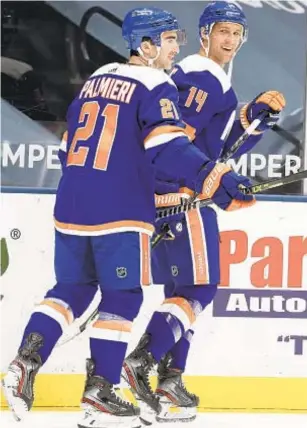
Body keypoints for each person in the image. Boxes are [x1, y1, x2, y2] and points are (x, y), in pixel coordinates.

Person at [1, 6, 258, 428]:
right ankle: (100, 389)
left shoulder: (98, 77)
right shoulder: (156, 83)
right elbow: (168, 147)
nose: (176, 48)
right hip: (118, 209)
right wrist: (215, 176)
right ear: (145, 45)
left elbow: (68, 149)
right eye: (169, 40)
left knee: (73, 288)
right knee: (124, 297)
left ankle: (25, 361)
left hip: (70, 204)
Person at [122, 1, 286, 424]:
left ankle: (169, 385)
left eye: (237, 33)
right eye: (223, 32)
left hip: (174, 195)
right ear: (205, 34)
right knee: (201, 289)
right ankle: (143, 361)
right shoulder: (200, 74)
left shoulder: (208, 77)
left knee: (179, 295)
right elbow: (177, 139)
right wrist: (196, 183)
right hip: (184, 198)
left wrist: (254, 117)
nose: (230, 40)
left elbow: (221, 144)